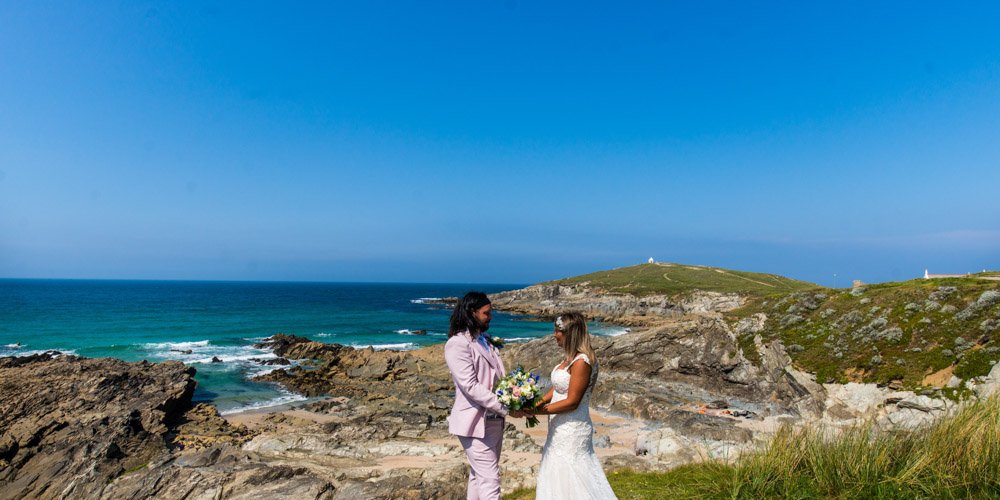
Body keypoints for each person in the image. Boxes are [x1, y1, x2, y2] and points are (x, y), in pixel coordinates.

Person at [444, 291, 522, 500]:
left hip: (494, 421)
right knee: (490, 479)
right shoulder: (457, 344)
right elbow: (470, 385)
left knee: (479, 476)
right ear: (472, 312)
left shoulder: (485, 340)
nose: (491, 317)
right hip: (473, 423)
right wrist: (505, 406)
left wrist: (515, 395)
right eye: (486, 313)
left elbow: (497, 378)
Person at [531, 312, 617, 499]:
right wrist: (538, 402)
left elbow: (572, 402)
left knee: (573, 477)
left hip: (572, 428)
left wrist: (537, 411)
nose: (554, 335)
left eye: (558, 331)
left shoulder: (582, 362)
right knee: (556, 475)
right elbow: (558, 389)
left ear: (571, 333)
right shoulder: (569, 359)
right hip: (558, 428)